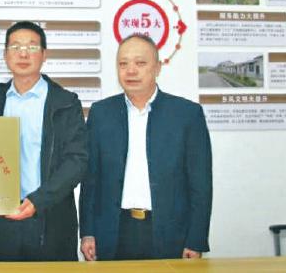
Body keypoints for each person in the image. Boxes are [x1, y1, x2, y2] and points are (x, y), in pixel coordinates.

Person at [79, 33, 212, 261]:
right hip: (113, 232)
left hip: (170, 233)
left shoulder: (187, 114)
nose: (130, 71)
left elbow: (200, 184)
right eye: (123, 64)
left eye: (140, 63)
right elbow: (91, 179)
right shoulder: (101, 113)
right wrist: (87, 232)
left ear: (157, 68)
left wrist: (196, 239)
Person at [0, 21, 87, 261]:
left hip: (50, 217)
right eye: (16, 47)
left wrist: (39, 200)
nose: (23, 53)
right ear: (5, 55)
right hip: (0, 220)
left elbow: (76, 161)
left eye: (32, 47)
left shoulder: (65, 103)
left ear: (44, 55)